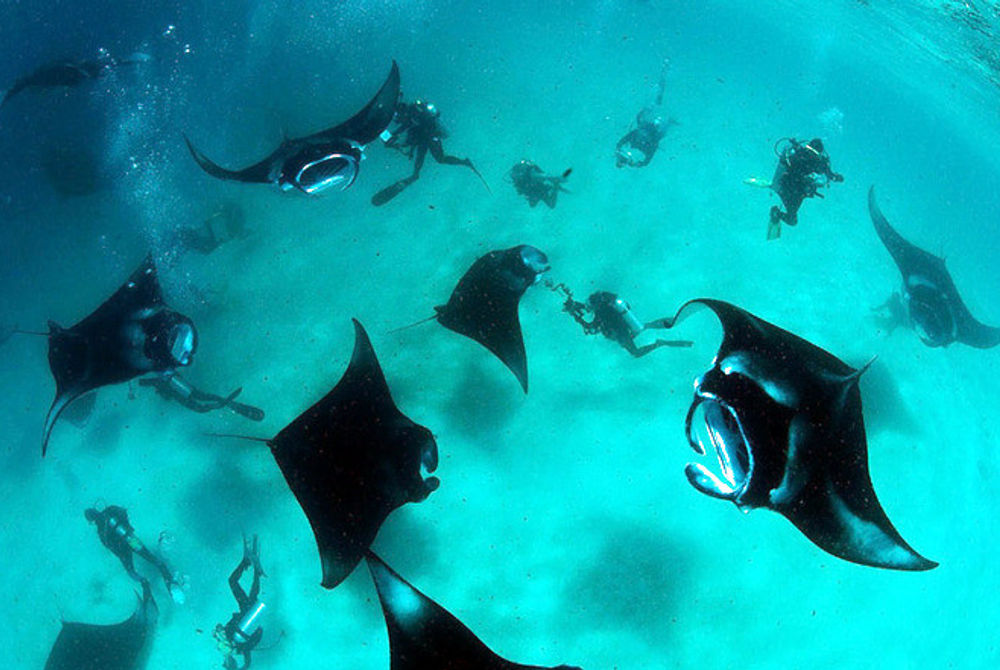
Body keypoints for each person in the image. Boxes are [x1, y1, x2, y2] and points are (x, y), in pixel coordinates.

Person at [371, 98, 489, 205]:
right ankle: (415, 175)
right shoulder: (411, 117)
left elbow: (406, 128)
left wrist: (394, 138)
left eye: (398, 116)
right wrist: (396, 142)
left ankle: (464, 162)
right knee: (425, 159)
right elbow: (408, 133)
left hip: (430, 137)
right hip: (424, 139)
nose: (397, 119)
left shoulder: (413, 114)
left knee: (440, 158)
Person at [551, 283, 692, 357]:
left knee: (635, 353)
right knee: (640, 329)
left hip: (621, 333)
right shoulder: (605, 308)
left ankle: (661, 343)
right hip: (623, 329)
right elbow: (590, 313)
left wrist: (576, 317)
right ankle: (648, 327)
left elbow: (591, 327)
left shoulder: (602, 313)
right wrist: (574, 307)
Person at [84, 504, 185, 604]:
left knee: (132, 572)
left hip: (124, 551)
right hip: (131, 539)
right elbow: (123, 512)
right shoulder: (110, 510)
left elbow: (110, 546)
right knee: (150, 557)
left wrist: (122, 554)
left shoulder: (101, 530)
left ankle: (144, 582)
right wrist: (127, 528)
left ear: (91, 520)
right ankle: (168, 577)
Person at [760, 137, 844, 239]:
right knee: (792, 220)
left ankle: (776, 212)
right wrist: (837, 177)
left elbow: (788, 163)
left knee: (792, 219)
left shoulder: (801, 152)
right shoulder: (819, 162)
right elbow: (830, 176)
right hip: (797, 191)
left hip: (786, 186)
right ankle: (776, 213)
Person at [215, 535, 267, 670]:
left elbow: (248, 662)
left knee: (252, 594)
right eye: (225, 665)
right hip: (246, 611)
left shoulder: (240, 648)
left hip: (246, 611)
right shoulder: (239, 646)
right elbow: (248, 662)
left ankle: (255, 570)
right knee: (234, 582)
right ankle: (249, 564)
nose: (224, 662)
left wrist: (219, 632)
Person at [615, 59, 675, 168]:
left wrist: (620, 151)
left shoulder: (637, 139)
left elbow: (623, 141)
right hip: (654, 125)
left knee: (657, 102)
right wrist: (639, 163)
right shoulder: (644, 143)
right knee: (658, 105)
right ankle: (664, 74)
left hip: (651, 123)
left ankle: (664, 74)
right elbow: (647, 158)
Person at [138, 371, 265, 421]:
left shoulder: (167, 385)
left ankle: (226, 404)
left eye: (252, 414)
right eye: (252, 413)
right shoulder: (166, 382)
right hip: (175, 388)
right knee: (201, 402)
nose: (250, 414)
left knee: (201, 403)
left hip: (176, 389)